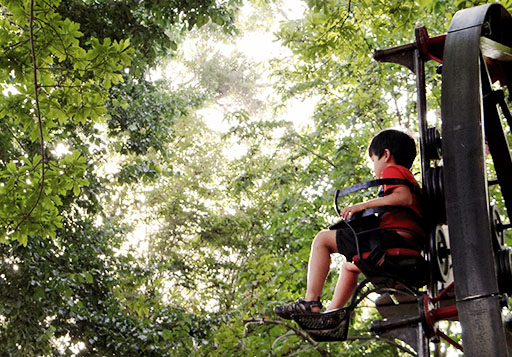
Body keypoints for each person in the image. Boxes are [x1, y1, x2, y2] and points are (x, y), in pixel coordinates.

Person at [274, 129, 424, 320]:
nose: (373, 168)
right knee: (348, 267)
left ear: (386, 154)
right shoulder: (406, 177)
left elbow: (403, 198)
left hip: (395, 238)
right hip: (406, 240)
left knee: (322, 240)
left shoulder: (393, 170)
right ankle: (331, 315)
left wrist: (363, 206)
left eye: (373, 161)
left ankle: (310, 302)